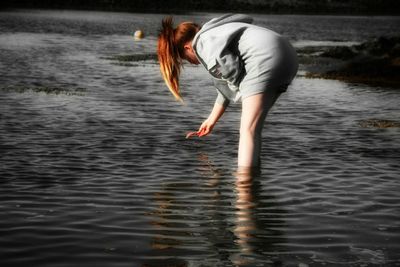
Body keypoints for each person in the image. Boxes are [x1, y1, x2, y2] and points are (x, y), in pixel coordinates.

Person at [157, 14, 298, 173]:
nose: (191, 62)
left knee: (248, 131)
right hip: (288, 55)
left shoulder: (202, 43)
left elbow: (231, 73)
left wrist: (242, 94)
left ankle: (245, 187)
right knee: (253, 129)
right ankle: (254, 177)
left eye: (185, 58)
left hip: (265, 59)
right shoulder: (216, 33)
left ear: (187, 48)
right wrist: (211, 120)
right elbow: (227, 82)